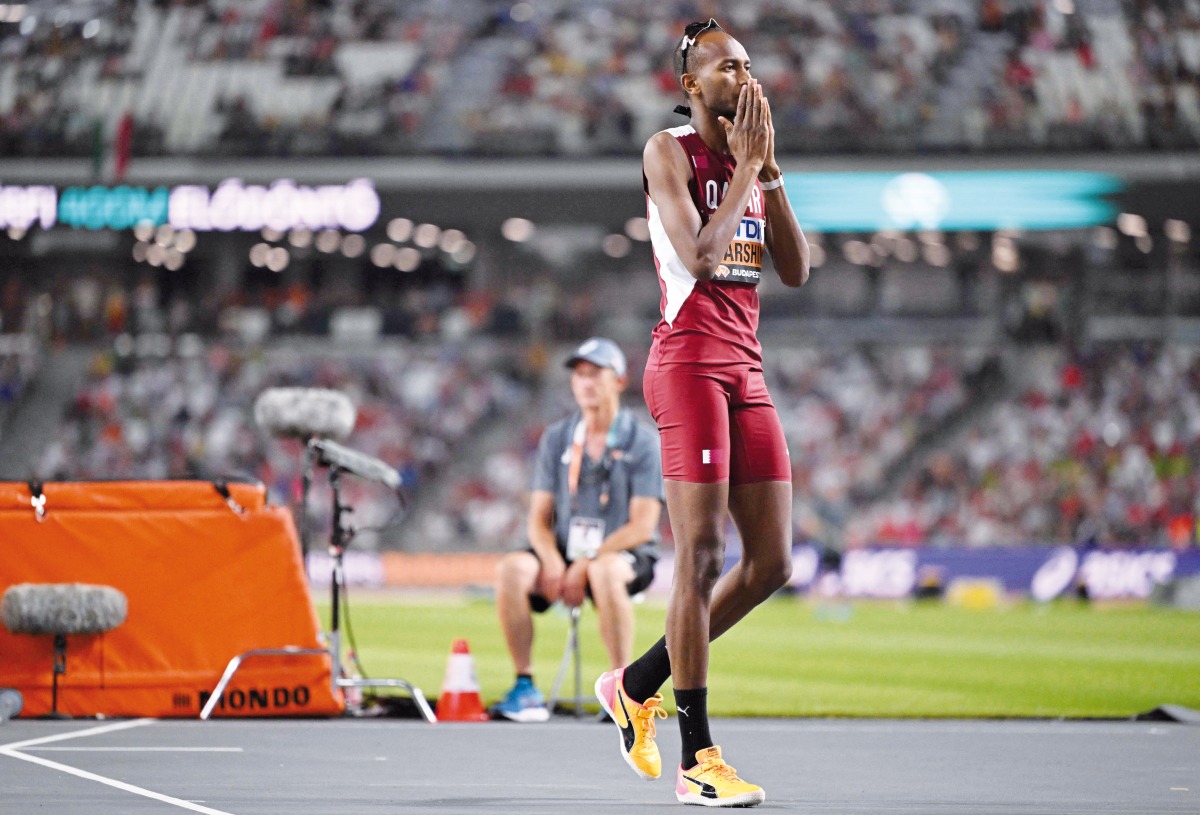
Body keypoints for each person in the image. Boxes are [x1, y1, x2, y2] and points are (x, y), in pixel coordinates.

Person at [594, 18, 809, 808]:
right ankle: (698, 758)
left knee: (773, 562)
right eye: (726, 68)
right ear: (692, 85)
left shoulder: (754, 165)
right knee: (703, 556)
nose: (743, 78)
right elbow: (701, 258)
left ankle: (635, 682)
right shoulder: (669, 152)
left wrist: (771, 174)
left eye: (749, 65)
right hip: (685, 363)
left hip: (745, 368)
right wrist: (748, 165)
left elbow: (794, 269)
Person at [492, 337, 664, 722]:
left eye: (595, 374)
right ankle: (525, 686)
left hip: (623, 554)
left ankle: (625, 693)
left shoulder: (642, 443)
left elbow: (643, 525)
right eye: (579, 375)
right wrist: (553, 560)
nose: (586, 382)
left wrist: (587, 559)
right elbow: (538, 519)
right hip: (567, 550)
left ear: (619, 380)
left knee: (604, 569)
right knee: (512, 568)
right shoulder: (557, 438)